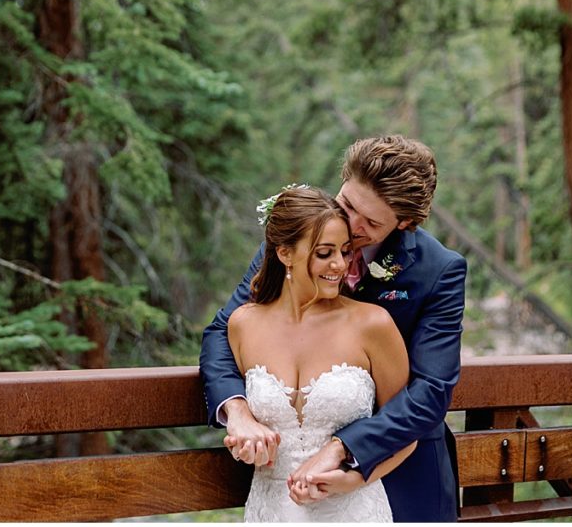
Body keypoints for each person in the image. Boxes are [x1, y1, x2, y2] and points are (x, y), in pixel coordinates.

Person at [200, 135, 467, 522]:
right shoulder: (296, 242)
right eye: (347, 205)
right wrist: (237, 411)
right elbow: (224, 331)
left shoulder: (438, 270)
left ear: (405, 223)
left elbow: (431, 392)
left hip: (404, 469)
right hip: (290, 486)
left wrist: (347, 449)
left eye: (372, 222)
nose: (352, 226)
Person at [224, 184, 415, 521]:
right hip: (270, 510)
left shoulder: (372, 324)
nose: (340, 265)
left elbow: (404, 433)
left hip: (353, 509)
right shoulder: (243, 325)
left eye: (344, 251)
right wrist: (247, 442)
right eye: (324, 253)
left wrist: (353, 478)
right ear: (284, 253)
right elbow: (246, 419)